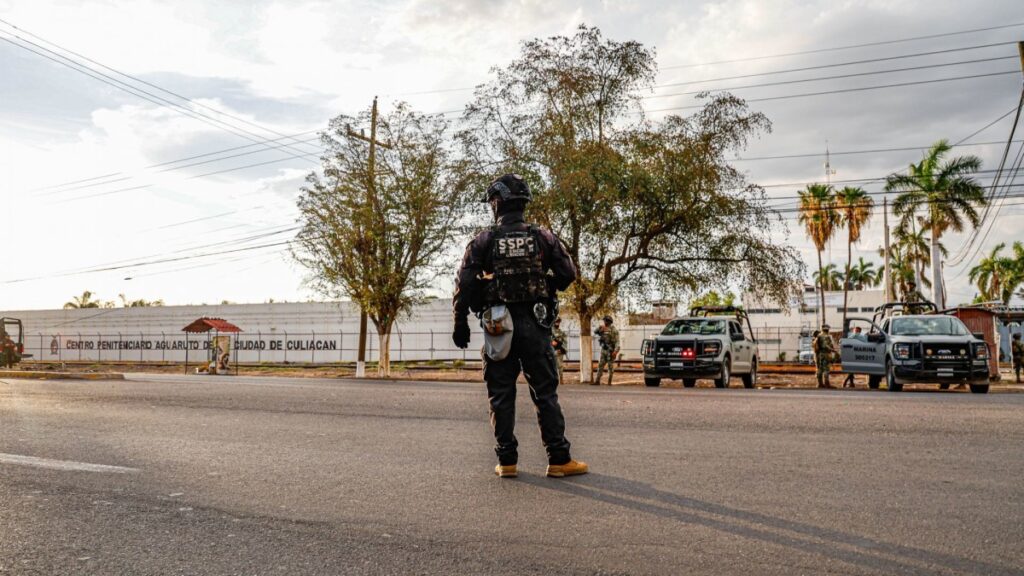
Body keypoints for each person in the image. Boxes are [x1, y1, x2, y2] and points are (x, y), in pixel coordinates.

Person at [452, 173, 587, 479]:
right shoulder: (544, 238)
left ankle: (507, 461)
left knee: (500, 393)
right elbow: (568, 275)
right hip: (535, 323)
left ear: (496, 204)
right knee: (545, 393)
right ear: (524, 204)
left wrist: (459, 322)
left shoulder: (482, 241)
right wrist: (542, 282)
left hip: (499, 326)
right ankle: (559, 459)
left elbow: (465, 284)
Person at [594, 315, 619, 386]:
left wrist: (616, 351)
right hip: (603, 350)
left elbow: (617, 342)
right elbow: (595, 332)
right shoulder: (602, 328)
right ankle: (597, 381)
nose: (604, 322)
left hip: (610, 351)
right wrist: (600, 329)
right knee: (600, 365)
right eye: (604, 321)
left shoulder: (614, 330)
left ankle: (609, 382)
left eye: (605, 321)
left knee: (610, 367)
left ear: (609, 322)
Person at [813, 324, 835, 389]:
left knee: (819, 369)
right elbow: (825, 345)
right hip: (825, 354)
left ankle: (819, 384)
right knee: (826, 369)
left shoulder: (818, 336)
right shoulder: (826, 336)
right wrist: (832, 350)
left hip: (818, 355)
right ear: (827, 329)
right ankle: (827, 384)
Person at [551, 317, 568, 385]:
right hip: (551, 351)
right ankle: (552, 379)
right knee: (551, 366)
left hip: (559, 351)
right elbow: (545, 340)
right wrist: (551, 342)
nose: (557, 323)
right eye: (556, 322)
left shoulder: (562, 332)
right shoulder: (550, 331)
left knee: (560, 366)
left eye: (558, 322)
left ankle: (561, 378)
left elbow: (565, 342)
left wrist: (562, 349)